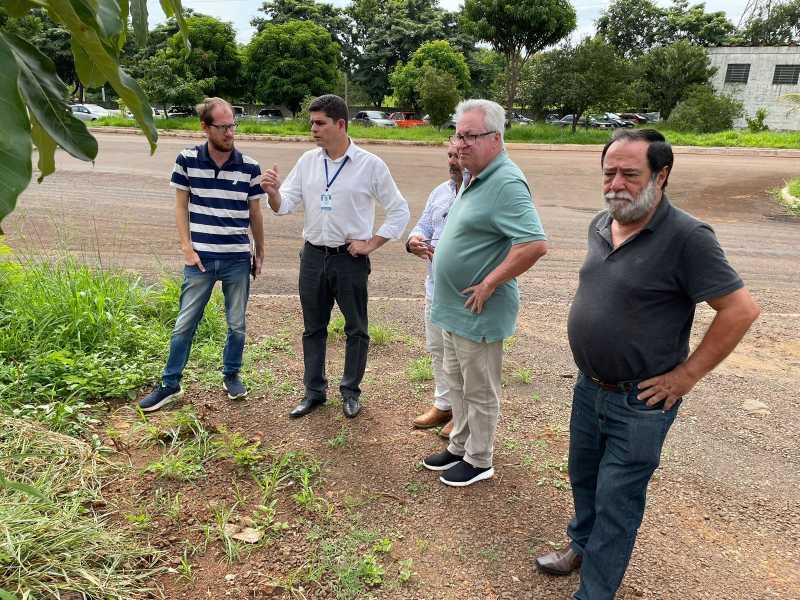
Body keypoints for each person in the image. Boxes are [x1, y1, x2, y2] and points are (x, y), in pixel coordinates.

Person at [535, 129, 760, 599]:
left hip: (639, 402)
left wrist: (687, 375)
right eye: (609, 173)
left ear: (662, 175)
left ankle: (594, 593)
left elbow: (740, 310)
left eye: (630, 174)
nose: (616, 184)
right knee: (583, 476)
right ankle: (580, 547)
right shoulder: (601, 223)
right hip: (589, 386)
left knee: (618, 499)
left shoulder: (688, 237)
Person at [421, 99, 548, 487]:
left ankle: (480, 459)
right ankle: (459, 446)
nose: (460, 143)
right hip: (451, 308)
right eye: (458, 134)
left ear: (495, 138)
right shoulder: (474, 176)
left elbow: (533, 244)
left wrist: (491, 282)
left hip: (477, 311)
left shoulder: (506, 181)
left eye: (470, 136)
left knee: (479, 389)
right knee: (456, 384)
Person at [260, 94, 410, 419]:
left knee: (356, 328)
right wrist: (273, 193)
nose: (312, 129)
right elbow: (285, 205)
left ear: (340, 124)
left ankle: (350, 391)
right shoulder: (308, 162)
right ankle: (314, 392)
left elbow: (399, 210)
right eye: (311, 122)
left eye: (319, 123)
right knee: (313, 327)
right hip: (313, 257)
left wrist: (371, 243)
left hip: (349, 259)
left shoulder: (370, 165)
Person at [138, 97, 266, 412]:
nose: (230, 133)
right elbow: (181, 205)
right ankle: (170, 384)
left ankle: (232, 374)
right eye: (222, 127)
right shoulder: (187, 159)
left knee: (237, 324)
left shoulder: (249, 166)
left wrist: (260, 251)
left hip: (237, 258)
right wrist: (186, 246)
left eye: (232, 125)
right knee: (185, 323)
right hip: (200, 260)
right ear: (205, 127)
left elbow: (255, 213)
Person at [407, 143, 466, 439]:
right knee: (438, 350)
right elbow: (422, 225)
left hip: (465, 293)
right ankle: (444, 405)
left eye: (458, 156)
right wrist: (414, 240)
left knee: (460, 355)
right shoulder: (440, 192)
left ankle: (462, 412)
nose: (453, 162)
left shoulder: (479, 194)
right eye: (450, 156)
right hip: (434, 288)